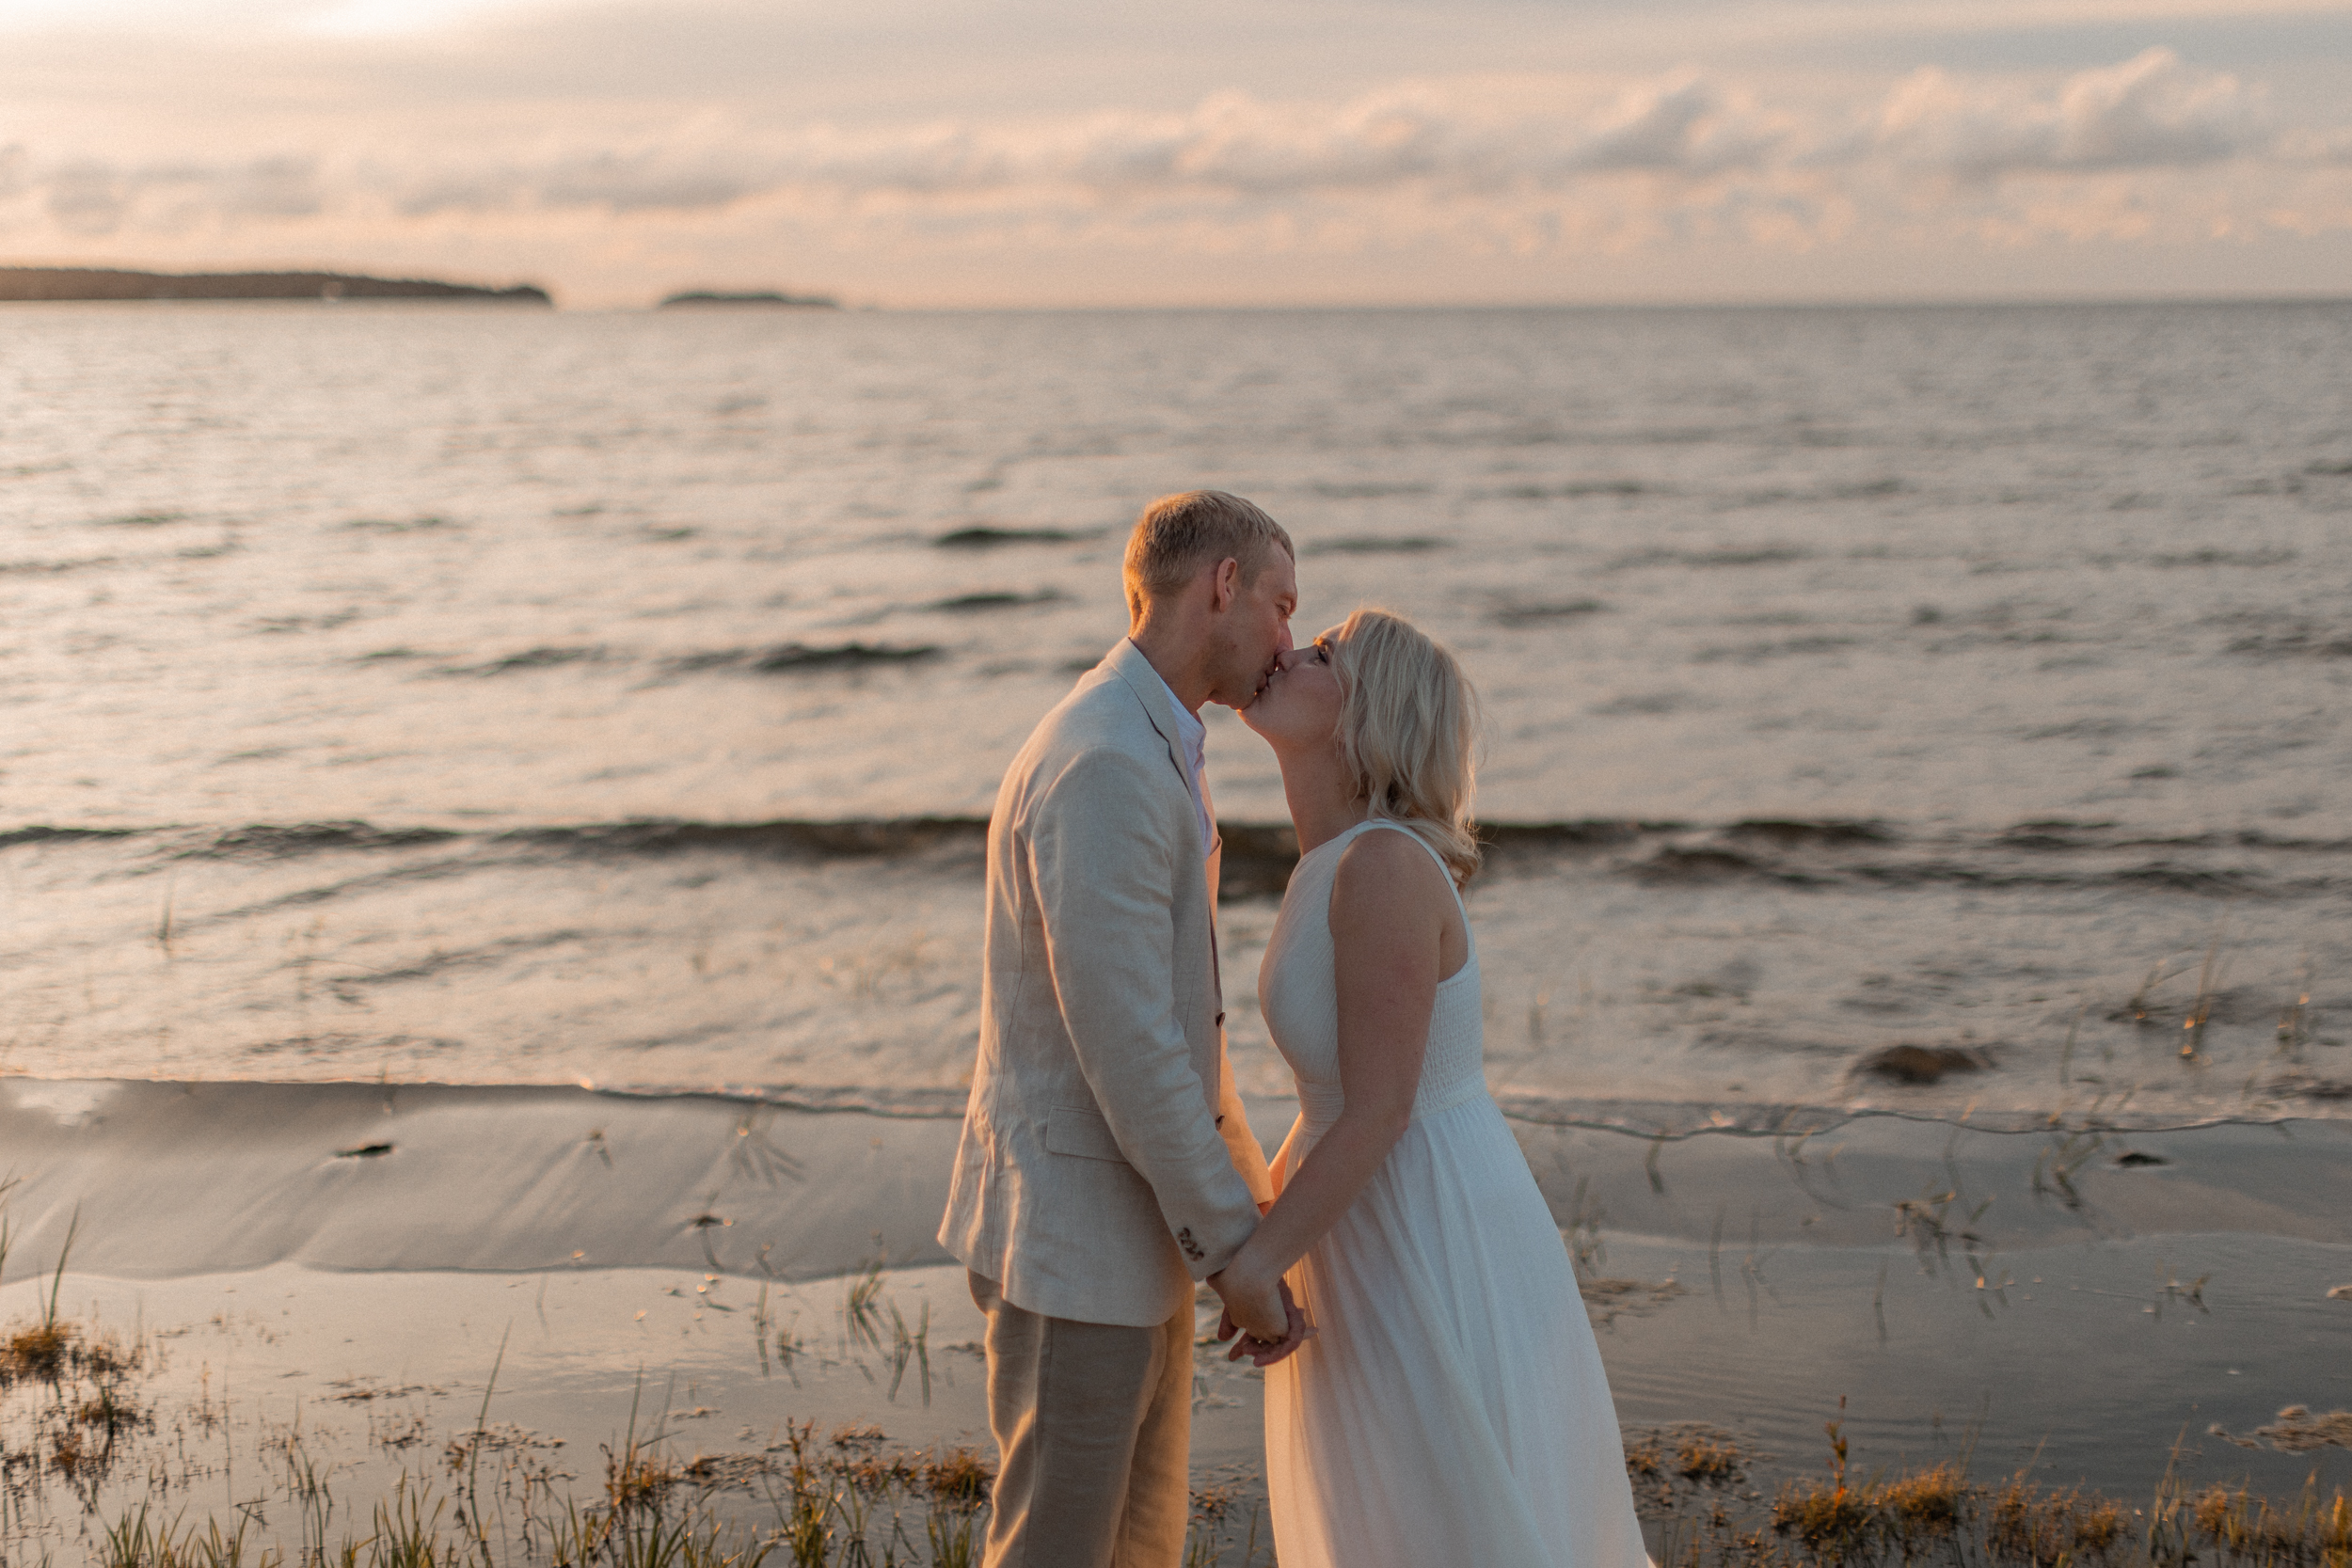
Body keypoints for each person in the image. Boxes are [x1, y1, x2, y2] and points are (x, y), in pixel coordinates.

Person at [1224, 608, 1653, 1566]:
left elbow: (1381, 1104)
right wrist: (1271, 1225)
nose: (1287, 650)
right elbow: (1337, 1098)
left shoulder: (1379, 866)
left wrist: (1258, 1263)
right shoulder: (1328, 865)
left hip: (1423, 1214)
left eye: (1325, 652)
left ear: (1371, 712)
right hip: (1367, 1208)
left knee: (1445, 1514)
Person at [937, 489, 1312, 1568]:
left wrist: (1250, 1221)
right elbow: (1131, 1043)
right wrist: (1233, 1247)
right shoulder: (1103, 758)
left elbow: (1192, 1038)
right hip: (1075, 1240)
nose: (1287, 642)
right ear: (1222, 586)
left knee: (1139, 1546)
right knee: (1058, 1547)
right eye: (1281, 605)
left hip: (1130, 1234)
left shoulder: (1153, 738)